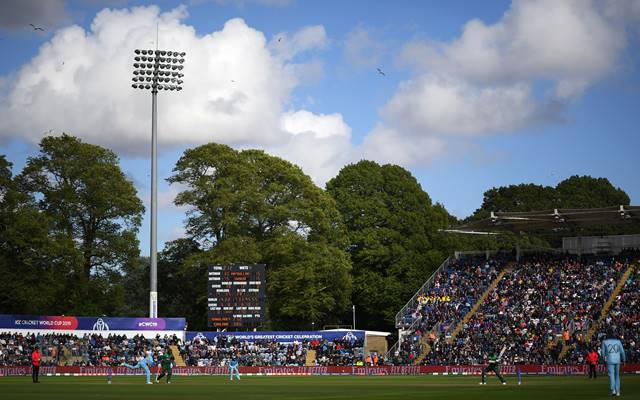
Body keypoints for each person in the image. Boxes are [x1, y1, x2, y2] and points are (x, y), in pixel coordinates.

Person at [601, 330, 626, 396]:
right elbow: (622, 352)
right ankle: (618, 391)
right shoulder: (618, 341)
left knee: (611, 375)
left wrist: (603, 360)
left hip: (609, 360)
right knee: (617, 375)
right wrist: (624, 360)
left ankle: (613, 390)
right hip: (617, 359)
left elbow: (602, 353)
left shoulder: (604, 342)